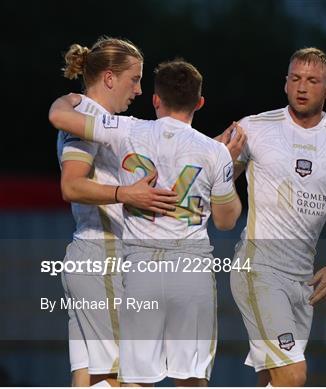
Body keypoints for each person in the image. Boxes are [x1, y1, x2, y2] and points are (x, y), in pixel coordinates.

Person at [49, 58, 244, 386]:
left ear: (157, 99)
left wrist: (69, 100)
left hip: (133, 265)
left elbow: (58, 117)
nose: (137, 90)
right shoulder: (212, 151)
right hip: (170, 265)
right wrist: (226, 165)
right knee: (186, 377)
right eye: (133, 79)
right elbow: (226, 219)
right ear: (199, 102)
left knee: (113, 376)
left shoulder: (128, 129)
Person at [230, 47, 326, 387]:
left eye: (312, 80)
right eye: (295, 79)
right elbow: (212, 184)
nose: (302, 87)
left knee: (273, 379)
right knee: (294, 375)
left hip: (303, 283)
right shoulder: (254, 128)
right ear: (286, 84)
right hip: (258, 270)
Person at [57, 36, 178, 387]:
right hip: (102, 256)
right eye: (134, 79)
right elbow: (71, 185)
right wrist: (127, 194)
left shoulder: (100, 120)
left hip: (91, 258)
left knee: (91, 378)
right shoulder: (86, 117)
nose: (139, 90)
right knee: (128, 378)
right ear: (109, 78)